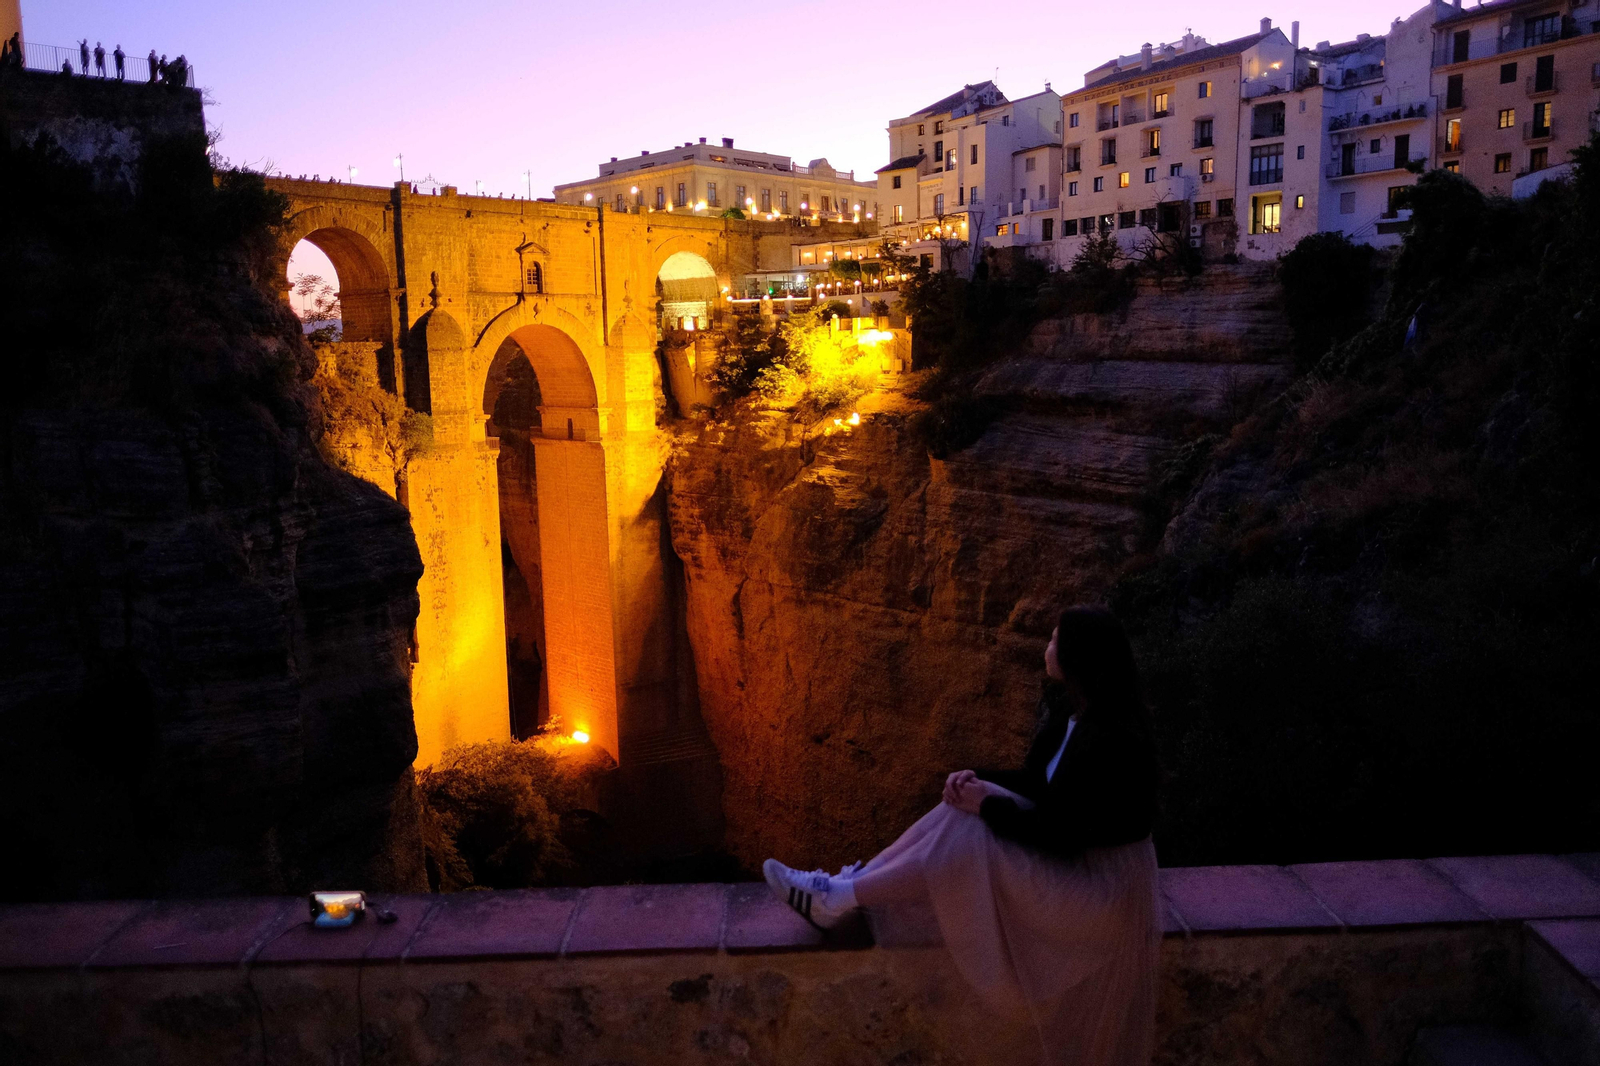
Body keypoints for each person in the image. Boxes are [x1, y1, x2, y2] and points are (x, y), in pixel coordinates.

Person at [763, 607, 1163, 1066]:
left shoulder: (1112, 741)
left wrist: (987, 805)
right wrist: (976, 781)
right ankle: (849, 887)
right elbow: (1038, 786)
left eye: (1054, 640)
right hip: (1076, 861)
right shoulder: (1072, 717)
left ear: (1077, 656)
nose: (1046, 647)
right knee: (962, 810)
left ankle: (842, 895)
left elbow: (1062, 834)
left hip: (1101, 891)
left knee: (968, 832)